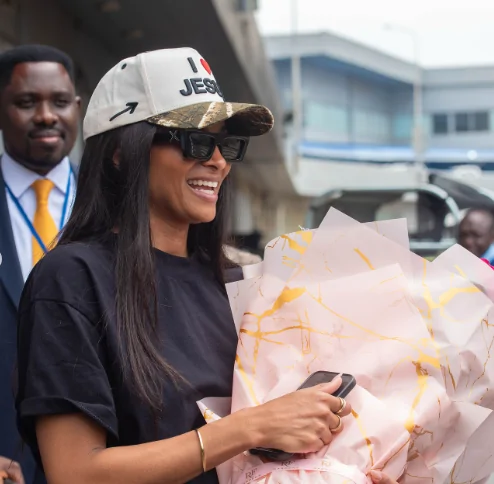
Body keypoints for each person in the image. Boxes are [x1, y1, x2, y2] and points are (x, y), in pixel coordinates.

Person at [13, 46, 362, 484]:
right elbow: (76, 472)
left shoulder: (238, 281)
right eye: (195, 140)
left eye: (226, 144)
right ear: (120, 151)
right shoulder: (71, 279)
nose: (217, 161)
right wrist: (250, 427)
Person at [0, 44, 80, 484]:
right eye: (27, 102)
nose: (47, 116)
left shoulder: (118, 206)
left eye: (60, 102)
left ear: (77, 108)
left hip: (101, 457)